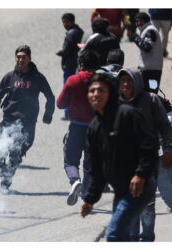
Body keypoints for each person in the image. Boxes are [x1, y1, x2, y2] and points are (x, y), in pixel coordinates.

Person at [81, 73, 159, 242]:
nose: (96, 94)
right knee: (124, 237)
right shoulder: (95, 127)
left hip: (141, 187)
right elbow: (96, 169)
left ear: (111, 93)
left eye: (101, 90)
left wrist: (141, 174)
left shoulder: (127, 114)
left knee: (114, 235)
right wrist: (90, 199)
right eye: (92, 91)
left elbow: (149, 145)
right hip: (121, 190)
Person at [0, 45, 55, 192]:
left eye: (23, 57)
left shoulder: (38, 78)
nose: (20, 60)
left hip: (27, 123)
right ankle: (0, 171)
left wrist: (48, 114)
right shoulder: (9, 76)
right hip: (8, 121)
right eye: (18, 57)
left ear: (29, 59)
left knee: (15, 154)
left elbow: (50, 97)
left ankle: (5, 183)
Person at [117, 68, 172, 241]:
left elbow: (165, 128)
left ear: (137, 82)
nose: (125, 84)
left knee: (147, 206)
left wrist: (168, 150)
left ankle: (147, 238)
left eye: (129, 80)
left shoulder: (152, 100)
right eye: (123, 80)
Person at [56, 50, 98, 206]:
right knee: (90, 164)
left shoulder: (73, 80)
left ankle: (74, 180)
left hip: (76, 128)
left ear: (81, 65)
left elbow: (60, 103)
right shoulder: (102, 82)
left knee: (70, 161)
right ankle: (86, 195)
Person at [56, 13, 84, 120]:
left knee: (68, 89)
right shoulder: (79, 31)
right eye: (63, 22)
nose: (64, 24)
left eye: (65, 21)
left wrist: (60, 52)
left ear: (71, 21)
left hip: (70, 66)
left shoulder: (71, 34)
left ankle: (68, 113)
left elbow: (66, 50)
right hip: (77, 65)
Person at [132, 12, 163, 93]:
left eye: (140, 21)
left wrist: (136, 38)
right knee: (146, 94)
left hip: (152, 71)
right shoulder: (146, 30)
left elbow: (146, 47)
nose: (138, 24)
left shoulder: (151, 30)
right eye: (136, 21)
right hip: (148, 69)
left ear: (146, 20)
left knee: (152, 93)